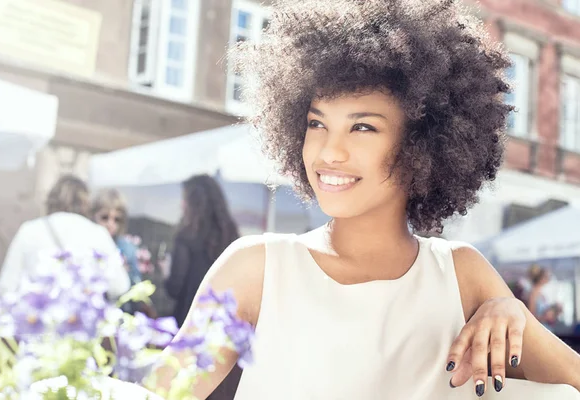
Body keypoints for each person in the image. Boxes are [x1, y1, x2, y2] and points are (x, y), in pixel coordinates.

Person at [157, 0, 580, 398]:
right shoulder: (256, 268)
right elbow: (158, 392)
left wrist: (512, 315)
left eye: (362, 128)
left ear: (422, 142)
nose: (328, 152)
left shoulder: (462, 274)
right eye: (317, 123)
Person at [164, 174, 241, 400]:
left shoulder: (186, 236)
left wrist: (166, 272)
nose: (181, 204)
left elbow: (175, 288)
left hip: (188, 325)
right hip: (221, 329)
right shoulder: (231, 236)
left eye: (184, 199)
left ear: (193, 202)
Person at [0, 175, 130, 299]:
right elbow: (119, 286)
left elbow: (6, 287)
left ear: (51, 200)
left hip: (37, 318)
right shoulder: (98, 233)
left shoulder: (29, 230)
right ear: (85, 202)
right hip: (82, 320)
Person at [92, 190, 142, 287]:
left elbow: (137, 287)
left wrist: (125, 273)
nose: (110, 224)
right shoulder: (85, 244)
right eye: (105, 217)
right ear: (94, 216)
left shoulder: (127, 250)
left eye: (117, 220)